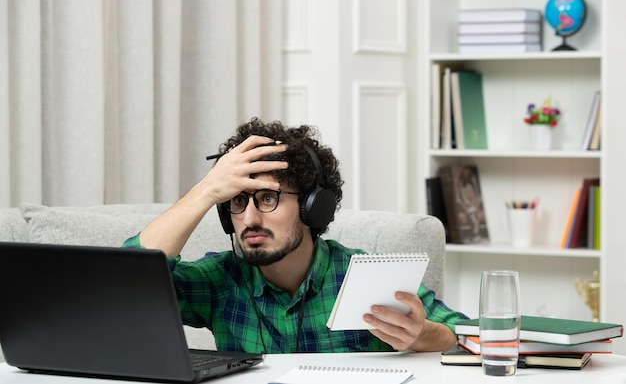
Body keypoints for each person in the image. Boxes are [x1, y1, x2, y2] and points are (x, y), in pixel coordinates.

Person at [123, 117, 467, 354]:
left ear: (312, 209)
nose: (250, 218)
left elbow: (470, 337)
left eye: (268, 198)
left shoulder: (364, 275)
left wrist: (423, 335)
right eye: (238, 201)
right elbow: (127, 283)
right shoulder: (220, 281)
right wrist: (205, 192)